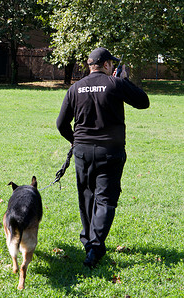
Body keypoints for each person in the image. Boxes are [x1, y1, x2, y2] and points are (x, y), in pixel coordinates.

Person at [56, 47, 150, 268]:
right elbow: (143, 102)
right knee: (106, 199)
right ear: (107, 64)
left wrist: (74, 141)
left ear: (91, 65)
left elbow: (61, 124)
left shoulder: (75, 88)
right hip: (111, 151)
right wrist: (125, 80)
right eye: (112, 64)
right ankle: (95, 249)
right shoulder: (115, 84)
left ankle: (89, 242)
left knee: (87, 197)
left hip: (82, 151)